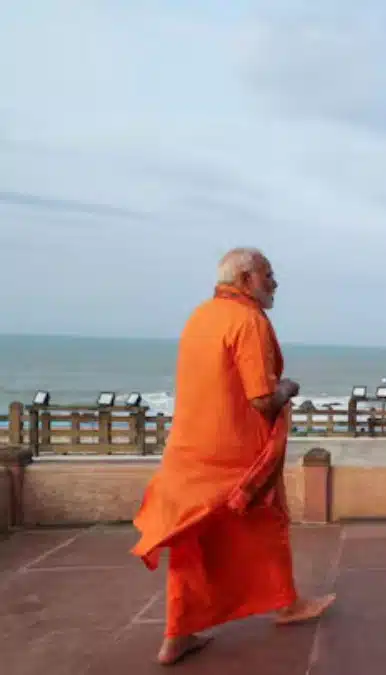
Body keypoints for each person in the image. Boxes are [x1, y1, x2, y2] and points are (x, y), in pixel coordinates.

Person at [130, 248, 335, 665]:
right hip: (235, 458)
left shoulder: (200, 317)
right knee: (267, 522)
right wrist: (289, 388)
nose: (275, 283)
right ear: (245, 279)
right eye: (268, 275)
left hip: (189, 456)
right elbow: (262, 398)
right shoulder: (248, 320)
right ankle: (286, 604)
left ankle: (177, 637)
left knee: (191, 542)